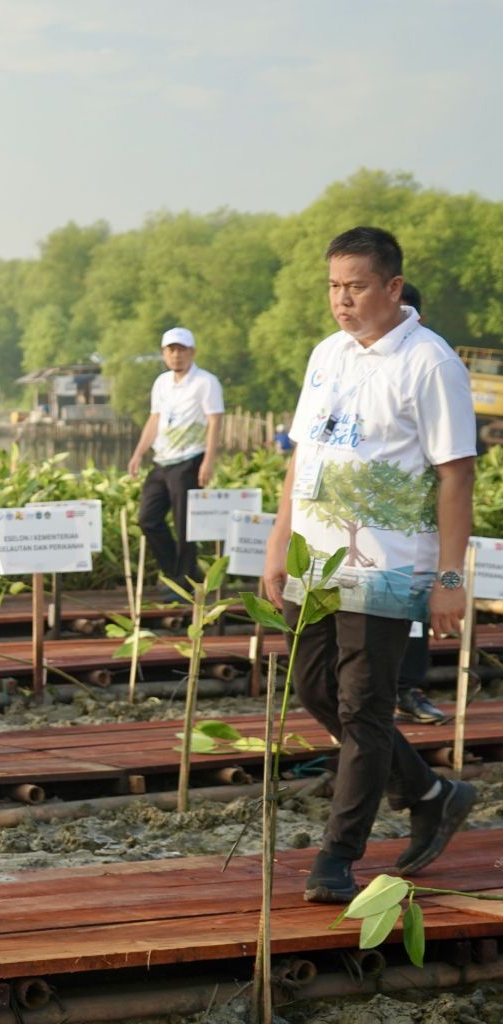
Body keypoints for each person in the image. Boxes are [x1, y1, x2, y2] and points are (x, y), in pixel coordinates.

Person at [264, 227, 476, 903]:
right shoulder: (327, 354)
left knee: (364, 708)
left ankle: (338, 855)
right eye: (333, 287)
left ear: (391, 288)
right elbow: (302, 458)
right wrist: (277, 543)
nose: (342, 301)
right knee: (316, 690)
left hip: (386, 569)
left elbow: (456, 477)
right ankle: (430, 791)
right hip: (314, 559)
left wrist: (449, 579)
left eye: (355, 287)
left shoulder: (430, 362)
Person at [392, 282, 449, 725]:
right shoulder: (347, 363)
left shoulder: (434, 364)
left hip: (418, 522)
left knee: (414, 613)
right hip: (367, 525)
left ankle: (408, 689)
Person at [127, 328, 224, 586]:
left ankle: (183, 579)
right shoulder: (161, 383)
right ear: (163, 354)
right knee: (148, 519)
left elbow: (215, 421)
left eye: (182, 349)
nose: (176, 355)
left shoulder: (206, 382)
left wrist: (208, 461)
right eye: (171, 350)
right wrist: (138, 453)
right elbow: (155, 419)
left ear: (192, 352)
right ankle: (178, 573)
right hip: (162, 460)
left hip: (189, 459)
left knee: (185, 525)